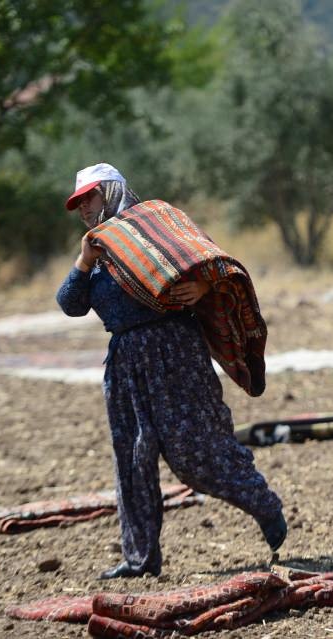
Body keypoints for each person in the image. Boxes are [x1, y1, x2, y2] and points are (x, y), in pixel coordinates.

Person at [56, 163, 287, 579]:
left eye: (88, 198)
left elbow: (217, 264)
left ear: (109, 192)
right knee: (132, 457)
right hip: (126, 362)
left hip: (176, 351)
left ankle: (263, 502)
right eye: (78, 203)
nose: (83, 209)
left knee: (193, 452)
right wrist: (84, 259)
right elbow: (71, 303)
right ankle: (140, 558)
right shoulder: (98, 251)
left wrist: (202, 288)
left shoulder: (159, 222)